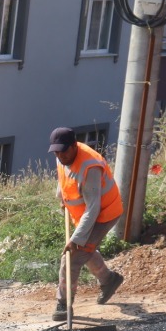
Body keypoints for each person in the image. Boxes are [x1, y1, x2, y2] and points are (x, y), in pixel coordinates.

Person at [51, 127, 125, 321]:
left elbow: (93, 209)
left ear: (74, 146)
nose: (60, 156)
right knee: (85, 250)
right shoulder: (61, 153)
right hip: (83, 212)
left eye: (64, 151)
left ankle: (63, 303)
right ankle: (109, 280)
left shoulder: (90, 167)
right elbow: (63, 175)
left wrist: (76, 239)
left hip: (103, 214)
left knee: (72, 256)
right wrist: (62, 196)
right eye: (56, 152)